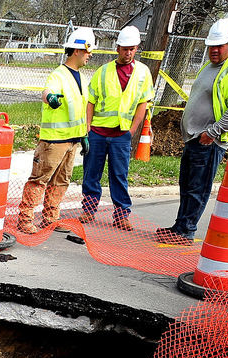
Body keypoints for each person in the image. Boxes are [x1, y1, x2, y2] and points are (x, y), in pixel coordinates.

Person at [156, 18, 228, 245]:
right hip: (195, 137)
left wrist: (212, 132)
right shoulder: (211, 67)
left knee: (197, 189)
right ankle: (179, 227)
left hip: (209, 142)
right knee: (187, 185)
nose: (214, 50)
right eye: (211, 45)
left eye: (219, 46)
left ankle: (186, 231)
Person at [17, 27, 94, 235]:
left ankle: (50, 218)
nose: (90, 55)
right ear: (77, 50)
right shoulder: (58, 75)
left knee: (61, 181)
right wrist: (49, 98)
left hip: (71, 141)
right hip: (54, 142)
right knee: (40, 180)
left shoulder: (81, 78)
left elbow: (79, 110)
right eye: (88, 51)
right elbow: (47, 91)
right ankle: (25, 219)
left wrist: (83, 136)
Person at [80, 25, 154, 230]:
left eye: (132, 49)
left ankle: (121, 214)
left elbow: (143, 103)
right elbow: (91, 101)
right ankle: (88, 210)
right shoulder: (103, 72)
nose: (128, 53)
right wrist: (88, 127)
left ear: (137, 48)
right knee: (91, 173)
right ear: (117, 48)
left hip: (121, 134)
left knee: (119, 175)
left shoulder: (143, 73)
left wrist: (132, 130)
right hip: (98, 132)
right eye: (124, 49)